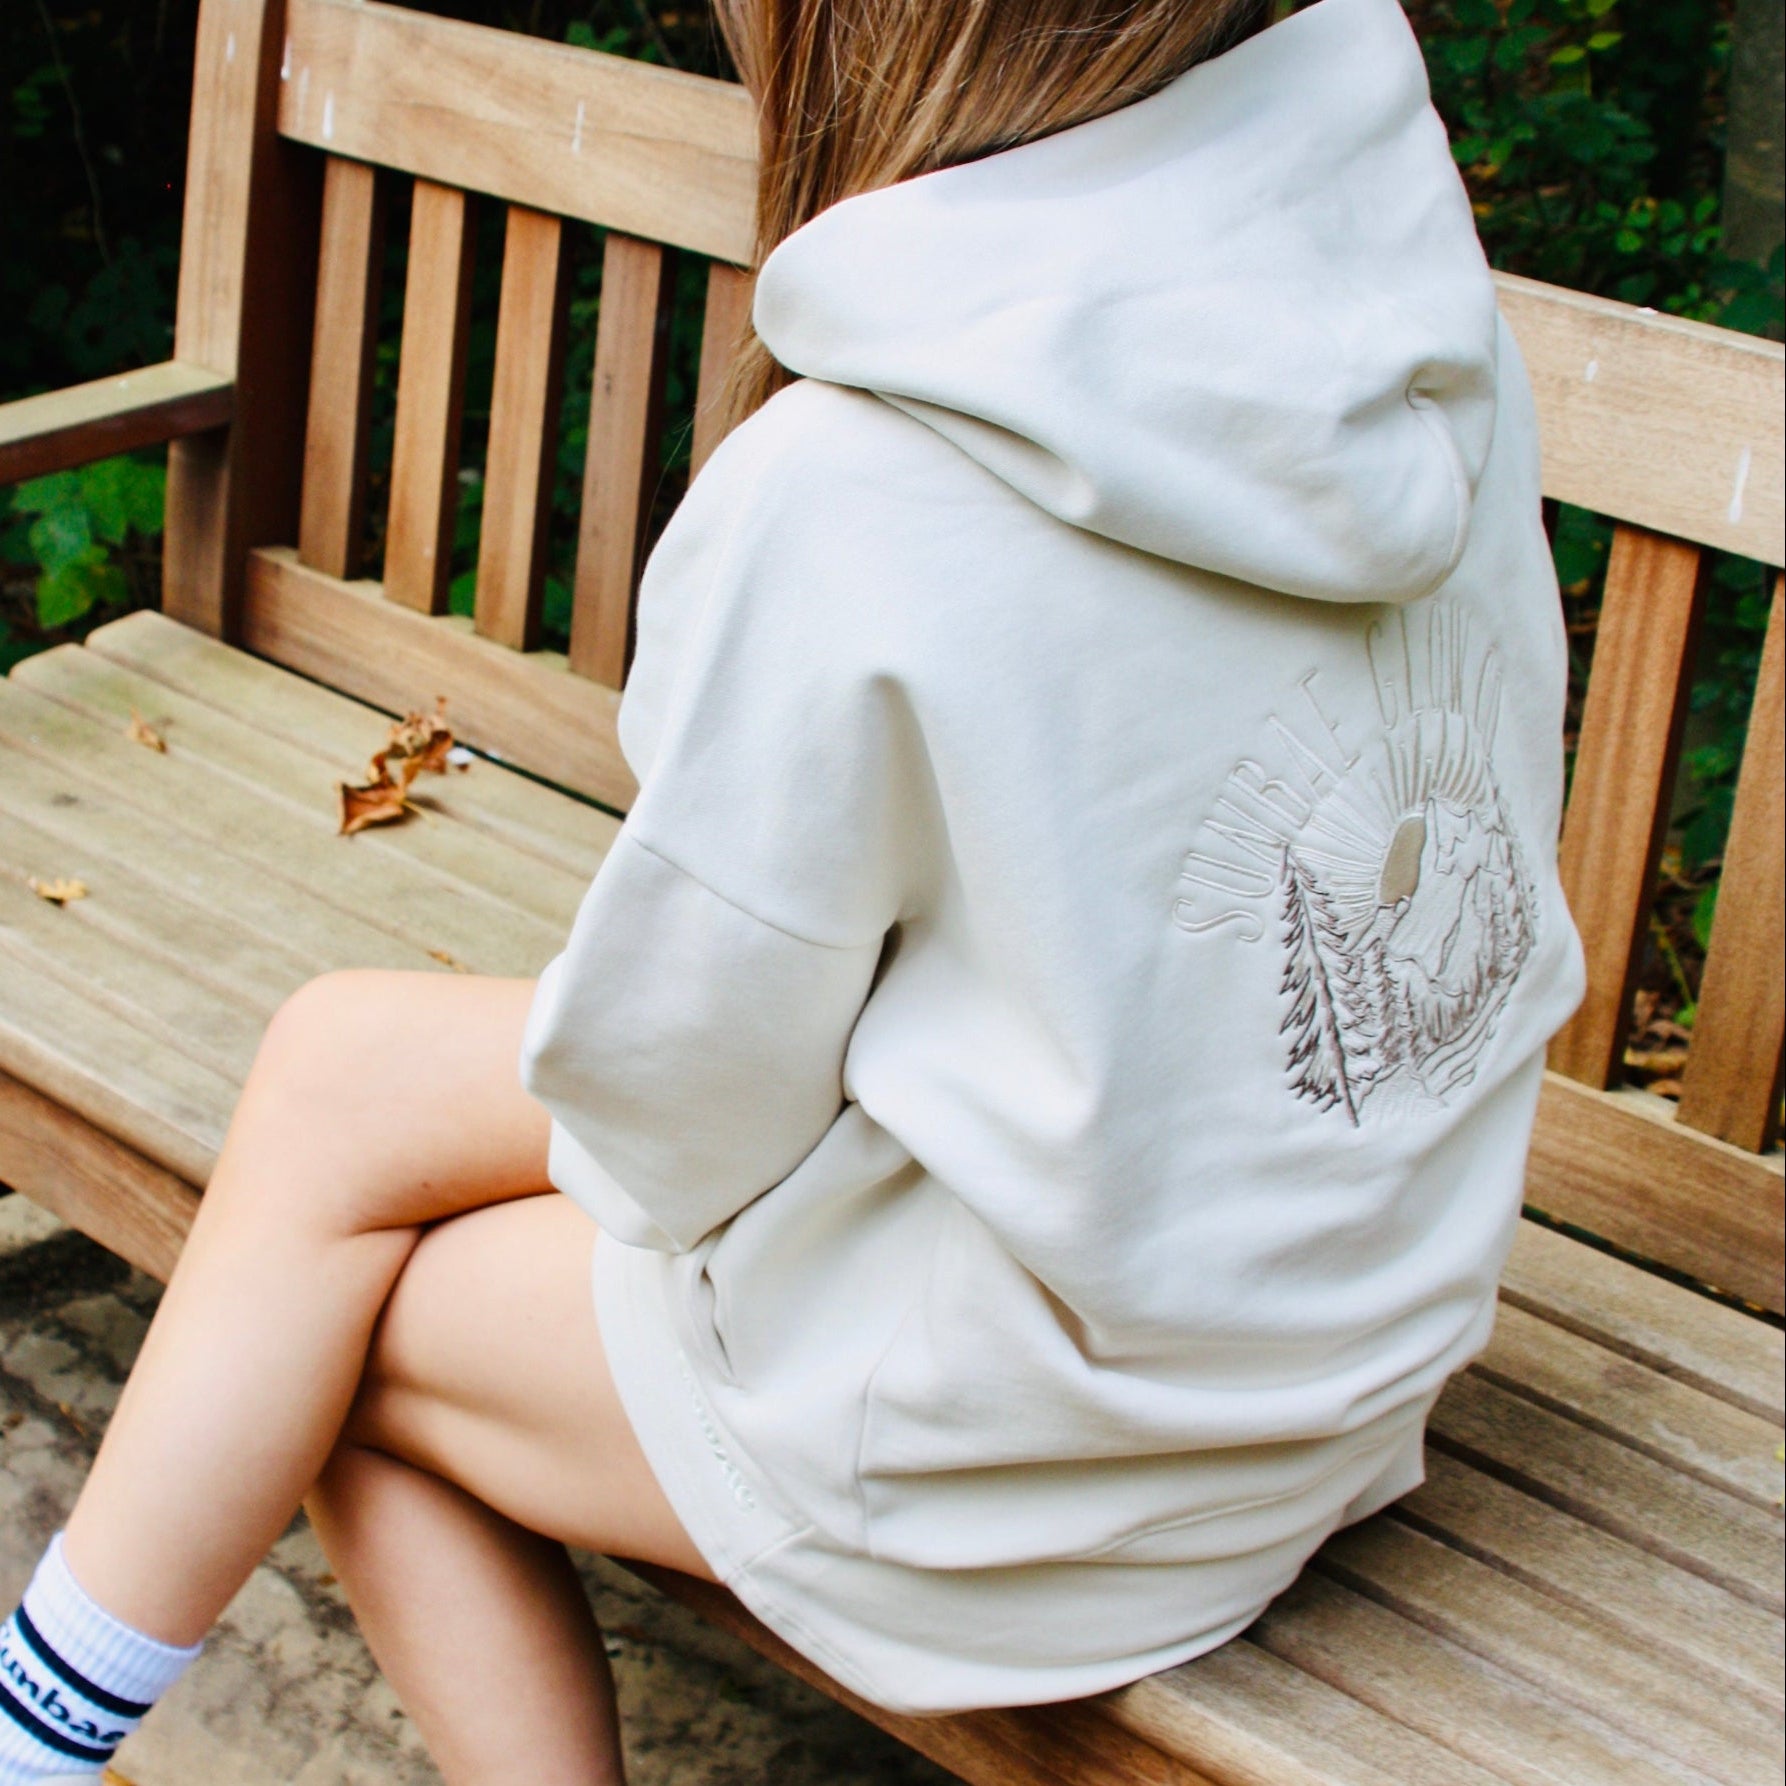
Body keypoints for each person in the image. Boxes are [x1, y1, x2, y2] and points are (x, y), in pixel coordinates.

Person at [0, 0, 1586, 1778]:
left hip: (1060, 1462)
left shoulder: (854, 485)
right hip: (1349, 1331)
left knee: (329, 1334)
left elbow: (688, 1135)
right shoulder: (1413, 340)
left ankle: (32, 1735)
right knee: (333, 1069)